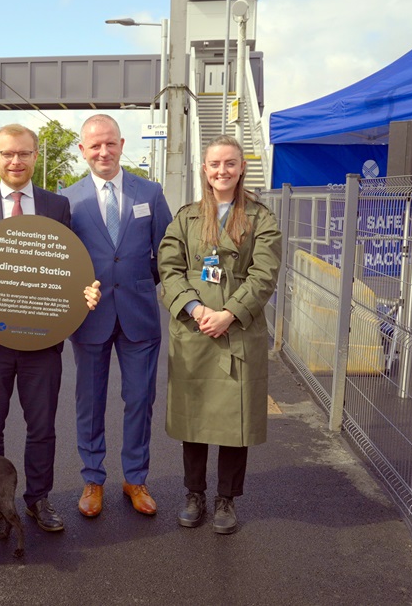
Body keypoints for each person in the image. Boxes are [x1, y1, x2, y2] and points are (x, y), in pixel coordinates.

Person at [0, 123, 101, 534]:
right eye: (7, 154)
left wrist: (84, 292)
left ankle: (38, 498)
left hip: (41, 336)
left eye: (23, 153)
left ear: (36, 156)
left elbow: (69, 266)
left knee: (42, 427)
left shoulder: (56, 207)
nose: (15, 161)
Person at [157, 133, 281, 534]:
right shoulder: (186, 216)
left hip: (237, 330)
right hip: (194, 329)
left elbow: (265, 274)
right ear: (205, 171)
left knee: (234, 419)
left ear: (242, 167)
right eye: (215, 164)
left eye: (230, 163)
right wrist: (196, 308)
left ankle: (226, 499)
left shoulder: (262, 218)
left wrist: (229, 313)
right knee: (193, 417)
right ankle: (194, 493)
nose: (222, 171)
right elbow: (168, 267)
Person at [62, 114, 173, 519]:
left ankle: (135, 479)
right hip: (89, 318)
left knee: (140, 399)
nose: (103, 152)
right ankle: (93, 478)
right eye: (94, 146)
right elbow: (61, 262)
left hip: (139, 315)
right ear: (83, 151)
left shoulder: (151, 192)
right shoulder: (68, 199)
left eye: (110, 143)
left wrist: (141, 281)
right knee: (89, 402)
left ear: (122, 144)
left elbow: (168, 252)